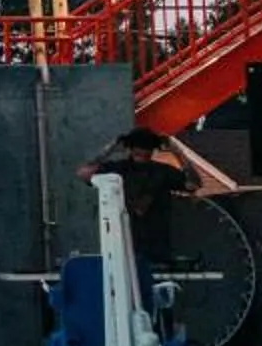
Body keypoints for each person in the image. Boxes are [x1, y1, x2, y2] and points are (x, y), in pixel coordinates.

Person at [78, 123, 209, 315]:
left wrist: (178, 153)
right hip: (122, 244)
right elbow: (84, 173)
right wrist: (110, 148)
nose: (143, 154)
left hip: (155, 247)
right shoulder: (117, 170)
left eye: (146, 149)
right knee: (126, 303)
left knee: (155, 303)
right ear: (131, 149)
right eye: (139, 149)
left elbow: (193, 184)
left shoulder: (161, 171)